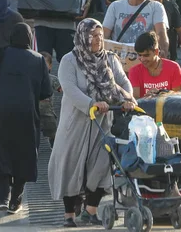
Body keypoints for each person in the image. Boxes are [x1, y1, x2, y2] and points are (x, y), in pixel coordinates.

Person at [48, 18, 135, 227]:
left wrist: (127, 99)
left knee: (102, 164)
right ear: (82, 37)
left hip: (102, 124)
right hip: (75, 125)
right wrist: (92, 104)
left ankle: (91, 211)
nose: (98, 40)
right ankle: (69, 215)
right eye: (93, 36)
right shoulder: (69, 61)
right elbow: (69, 89)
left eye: (100, 35)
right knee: (70, 166)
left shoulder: (110, 59)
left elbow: (123, 82)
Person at [0, 23, 53, 214]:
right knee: (24, 154)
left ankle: (3, 196)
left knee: (0, 150)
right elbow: (46, 92)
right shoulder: (38, 60)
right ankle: (16, 200)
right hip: (26, 114)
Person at [103, 0, 169, 55]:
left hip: (145, 62)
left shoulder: (156, 7)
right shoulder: (115, 6)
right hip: (119, 62)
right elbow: (104, 36)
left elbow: (161, 33)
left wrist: (163, 52)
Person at [129, 31, 181, 98]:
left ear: (156, 52)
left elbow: (178, 99)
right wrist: (147, 98)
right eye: (139, 55)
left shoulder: (174, 68)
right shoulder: (134, 71)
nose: (142, 59)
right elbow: (135, 101)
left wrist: (161, 94)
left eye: (146, 55)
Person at [39, 51, 59, 148]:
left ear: (50, 66)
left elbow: (62, 88)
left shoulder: (52, 79)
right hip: (33, 111)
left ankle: (54, 143)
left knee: (52, 130)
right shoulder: (31, 78)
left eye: (45, 63)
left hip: (48, 112)